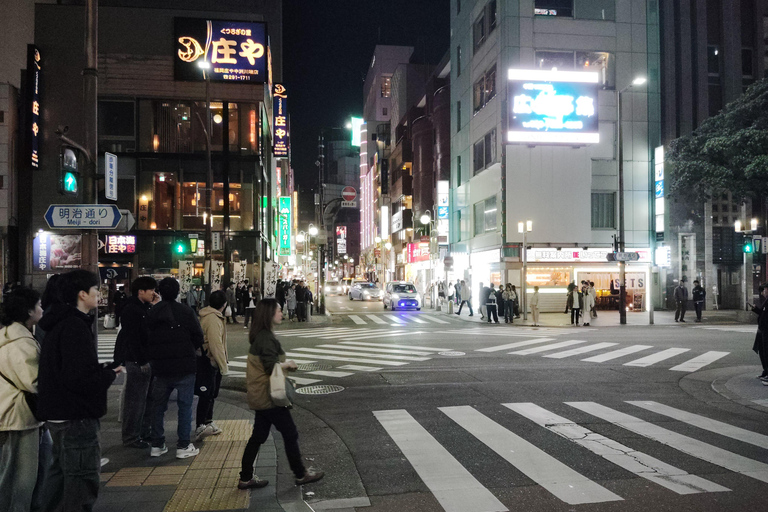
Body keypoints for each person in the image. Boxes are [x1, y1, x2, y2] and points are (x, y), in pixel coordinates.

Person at [37, 270, 123, 512]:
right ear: (82, 294)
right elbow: (79, 379)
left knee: (59, 479)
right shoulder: (74, 326)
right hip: (76, 416)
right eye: (95, 290)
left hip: (58, 414)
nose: (99, 293)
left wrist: (99, 370)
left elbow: (71, 370)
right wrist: (107, 374)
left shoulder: (58, 323)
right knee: (81, 482)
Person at [240, 299, 324, 490]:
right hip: (269, 396)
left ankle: (245, 477)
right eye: (278, 310)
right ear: (269, 314)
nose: (281, 313)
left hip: (260, 394)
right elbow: (271, 367)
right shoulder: (266, 338)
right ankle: (301, 474)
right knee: (290, 432)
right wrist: (288, 364)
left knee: (259, 436)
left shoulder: (260, 336)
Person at [146, 277, 204, 459]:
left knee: (158, 406)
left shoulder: (152, 313)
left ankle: (157, 444)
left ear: (159, 292)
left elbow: (146, 338)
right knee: (185, 406)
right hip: (185, 365)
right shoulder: (186, 311)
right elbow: (198, 336)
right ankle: (183, 445)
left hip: (161, 366)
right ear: (178, 292)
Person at [0, 286, 46, 512]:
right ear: (29, 311)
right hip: (18, 416)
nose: (42, 309)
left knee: (12, 471)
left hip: (9, 412)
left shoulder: (7, 336)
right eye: (38, 305)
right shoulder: (21, 343)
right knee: (21, 474)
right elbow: (34, 381)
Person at [113, 276, 158, 449]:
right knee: (135, 401)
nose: (153, 293)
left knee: (145, 400)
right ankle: (131, 437)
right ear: (141, 291)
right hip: (137, 361)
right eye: (151, 290)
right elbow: (134, 338)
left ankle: (143, 433)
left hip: (142, 359)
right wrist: (141, 361)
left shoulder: (142, 307)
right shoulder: (132, 309)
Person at [194, 290, 229, 442]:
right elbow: (216, 344)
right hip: (209, 360)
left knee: (210, 393)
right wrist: (223, 365)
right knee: (207, 394)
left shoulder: (207, 315)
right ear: (224, 304)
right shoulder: (213, 319)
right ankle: (201, 425)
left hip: (206, 359)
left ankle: (208, 422)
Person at [750, 285, 768, 383]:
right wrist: (755, 309)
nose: (763, 292)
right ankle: (765, 371)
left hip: (766, 330)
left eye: (765, 290)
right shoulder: (766, 301)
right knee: (762, 351)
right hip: (762, 330)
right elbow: (762, 313)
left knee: (766, 351)